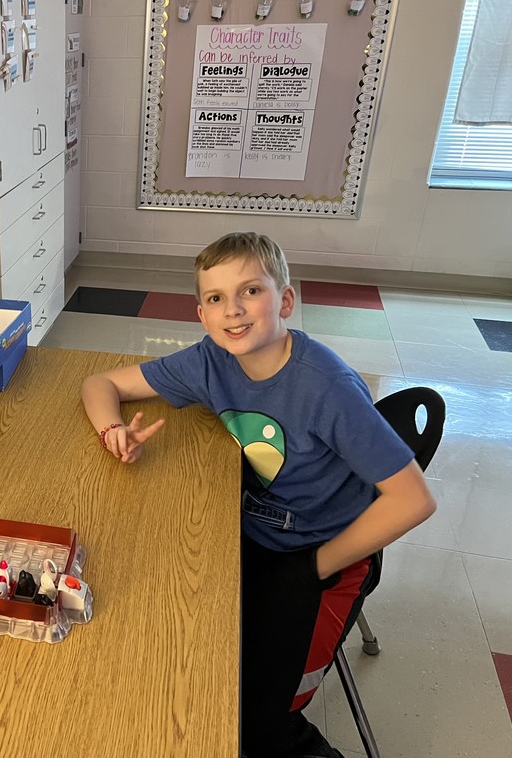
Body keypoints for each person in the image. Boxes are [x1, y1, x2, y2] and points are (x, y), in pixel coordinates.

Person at [80, 232, 436, 758]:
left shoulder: (326, 387)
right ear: (202, 315)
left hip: (326, 554)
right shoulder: (213, 359)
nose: (233, 310)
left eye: (251, 291)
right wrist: (113, 432)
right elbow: (100, 384)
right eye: (216, 298)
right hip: (253, 530)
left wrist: (312, 568)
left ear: (285, 300)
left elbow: (413, 500)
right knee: (176, 641)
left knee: (259, 722)